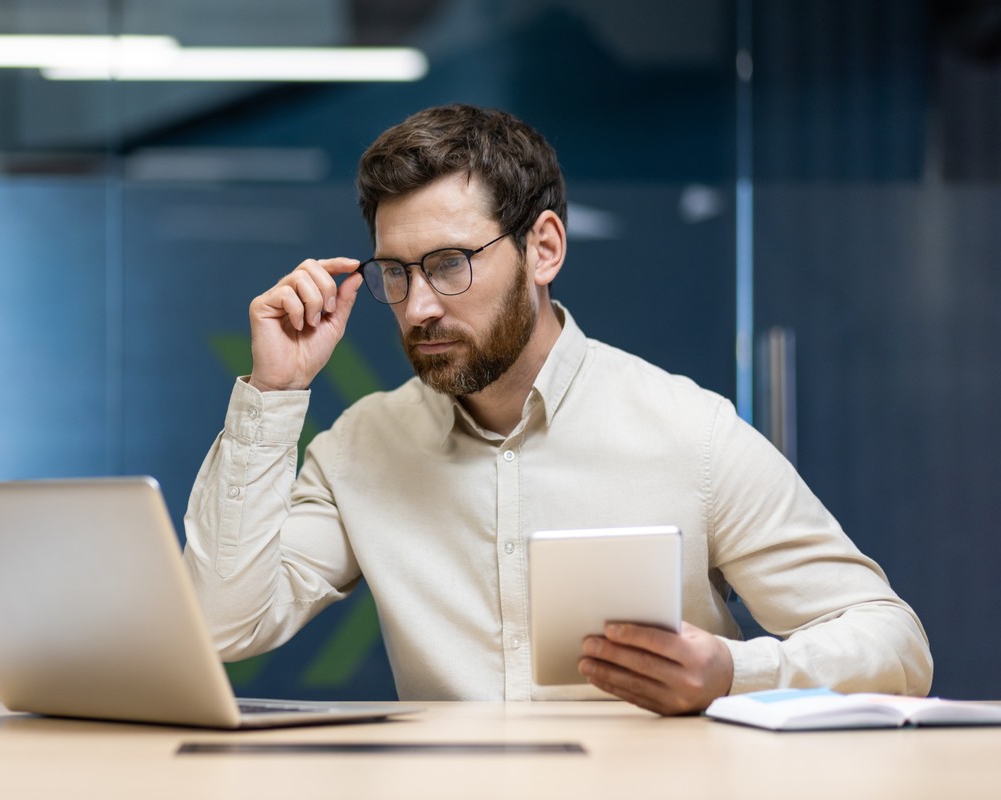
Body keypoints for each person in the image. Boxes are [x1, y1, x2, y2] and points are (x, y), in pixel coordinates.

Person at [183, 103, 933, 715]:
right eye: (395, 273)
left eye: (449, 265)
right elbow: (222, 624)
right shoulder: (362, 448)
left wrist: (734, 672)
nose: (417, 308)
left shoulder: (688, 432)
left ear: (543, 248)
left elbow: (894, 642)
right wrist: (274, 393)